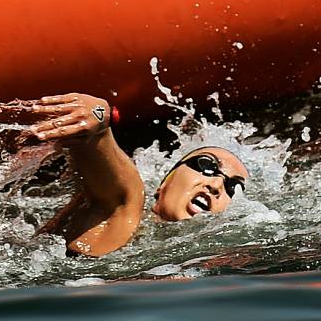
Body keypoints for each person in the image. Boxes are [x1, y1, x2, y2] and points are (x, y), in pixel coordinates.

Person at [29, 93, 249, 256]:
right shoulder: (123, 215)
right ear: (163, 184)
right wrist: (100, 120)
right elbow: (123, 190)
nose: (218, 184)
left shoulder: (208, 256)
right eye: (206, 165)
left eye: (233, 187)